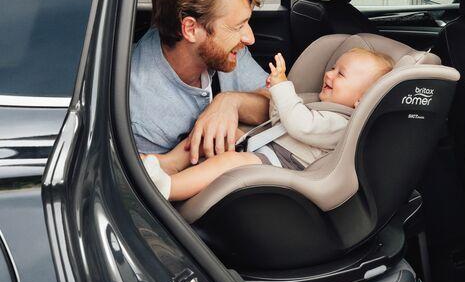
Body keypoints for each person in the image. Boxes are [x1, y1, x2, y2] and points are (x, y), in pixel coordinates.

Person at [143, 47, 394, 201]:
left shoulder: (342, 124)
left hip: (283, 164)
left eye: (341, 74)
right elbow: (280, 119)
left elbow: (300, 125)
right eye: (332, 67)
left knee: (229, 161)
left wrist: (283, 87)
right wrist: (276, 96)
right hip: (269, 146)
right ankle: (165, 164)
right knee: (218, 132)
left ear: (361, 100)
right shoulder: (321, 104)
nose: (328, 74)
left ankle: (169, 188)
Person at [130, 0, 270, 160]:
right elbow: (156, 176)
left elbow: (276, 103)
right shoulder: (143, 114)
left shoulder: (227, 49)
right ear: (191, 29)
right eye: (238, 26)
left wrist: (229, 103)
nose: (249, 38)